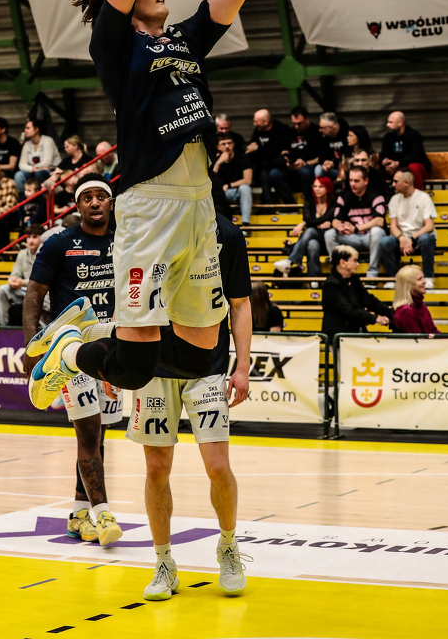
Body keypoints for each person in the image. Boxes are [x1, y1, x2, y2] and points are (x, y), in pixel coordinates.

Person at [29, 0, 258, 406]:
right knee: (132, 370)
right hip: (150, 206)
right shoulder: (114, 45)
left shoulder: (186, 40)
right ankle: (69, 351)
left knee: (201, 355)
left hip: (199, 207)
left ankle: (94, 334)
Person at [125, 213, 252, 599]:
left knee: (218, 467)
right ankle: (164, 562)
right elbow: (129, 300)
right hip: (153, 365)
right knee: (156, 468)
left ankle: (228, 547)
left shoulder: (227, 233)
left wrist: (242, 365)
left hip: (207, 365)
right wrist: (119, 359)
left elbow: (240, 304)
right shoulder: (149, 227)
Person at [22, 175, 123, 546]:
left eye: (101, 196)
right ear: (77, 205)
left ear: (111, 203)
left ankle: (80, 513)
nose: (95, 203)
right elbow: (33, 296)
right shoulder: (59, 243)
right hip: (71, 348)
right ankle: (103, 514)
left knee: (100, 434)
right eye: (87, 197)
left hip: (110, 346)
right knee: (89, 431)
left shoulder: (124, 241)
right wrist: (29, 346)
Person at [379, 169, 437, 289]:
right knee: (385, 242)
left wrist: (411, 238)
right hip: (403, 238)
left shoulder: (424, 198)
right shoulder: (394, 199)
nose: (393, 184)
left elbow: (429, 226)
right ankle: (393, 278)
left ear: (407, 182)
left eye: (396, 181)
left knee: (426, 239)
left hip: (419, 237)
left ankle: (428, 277)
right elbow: (393, 226)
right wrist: (401, 238)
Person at [324, 166, 386, 278]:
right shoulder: (344, 197)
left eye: (356, 181)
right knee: (329, 234)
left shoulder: (376, 196)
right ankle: (339, 273)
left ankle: (372, 275)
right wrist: (340, 227)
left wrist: (357, 228)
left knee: (377, 231)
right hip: (352, 237)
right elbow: (335, 220)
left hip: (369, 237)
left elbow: (380, 221)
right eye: (351, 180)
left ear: (366, 181)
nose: (352, 184)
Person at [321, 245, 392, 340]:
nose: (357, 264)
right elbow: (348, 310)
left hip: (355, 331)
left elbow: (368, 300)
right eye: (354, 261)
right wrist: (375, 318)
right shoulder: (331, 284)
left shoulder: (353, 278)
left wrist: (390, 313)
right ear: (343, 263)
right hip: (338, 336)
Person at [275, 176, 336, 278]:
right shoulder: (309, 203)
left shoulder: (334, 203)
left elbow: (325, 218)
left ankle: (290, 261)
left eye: (320, 186)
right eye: (315, 186)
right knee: (312, 244)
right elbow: (308, 220)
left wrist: (306, 224)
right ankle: (313, 280)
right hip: (314, 239)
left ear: (328, 189)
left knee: (310, 230)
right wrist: (318, 224)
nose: (316, 189)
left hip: (329, 240)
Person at [0, 224, 43, 326]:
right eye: (28, 237)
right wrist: (12, 281)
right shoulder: (22, 254)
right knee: (2, 290)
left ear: (41, 238)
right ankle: (3, 326)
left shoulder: (46, 254)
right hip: (25, 290)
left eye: (34, 237)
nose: (30, 241)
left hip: (41, 291)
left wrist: (23, 282)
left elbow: (42, 280)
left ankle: (43, 327)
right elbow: (14, 274)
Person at [246, 109, 292, 204]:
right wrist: (255, 150)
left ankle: (287, 203)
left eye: (256, 122)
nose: (254, 124)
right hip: (262, 165)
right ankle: (263, 203)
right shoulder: (258, 130)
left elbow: (276, 151)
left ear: (266, 121)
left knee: (271, 173)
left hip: (277, 165)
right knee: (254, 171)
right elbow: (252, 150)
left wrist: (259, 149)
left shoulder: (281, 130)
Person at [380, 111, 431, 190]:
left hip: (410, 168)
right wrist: (384, 161)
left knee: (414, 167)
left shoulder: (413, 135)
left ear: (400, 123)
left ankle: (415, 195)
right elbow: (383, 153)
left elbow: (417, 156)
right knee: (377, 168)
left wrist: (398, 163)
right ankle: (384, 195)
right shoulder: (387, 137)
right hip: (396, 168)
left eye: (390, 122)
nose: (387, 125)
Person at [211, 133, 253, 226]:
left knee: (245, 188)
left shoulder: (242, 157)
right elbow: (210, 178)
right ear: (218, 147)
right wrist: (218, 162)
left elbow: (248, 180)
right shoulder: (214, 160)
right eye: (223, 144)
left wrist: (229, 185)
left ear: (233, 144)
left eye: (229, 143)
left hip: (235, 192)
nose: (227, 146)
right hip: (219, 194)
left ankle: (246, 223)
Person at [280, 105, 321, 196]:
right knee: (274, 174)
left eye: (299, 123)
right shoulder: (289, 132)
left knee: (305, 171)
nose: (296, 126)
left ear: (307, 119)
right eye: (294, 123)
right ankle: (289, 202)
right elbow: (284, 151)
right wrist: (287, 161)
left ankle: (308, 199)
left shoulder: (317, 131)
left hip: (309, 165)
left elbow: (322, 156)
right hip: (292, 166)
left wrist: (305, 163)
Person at [15, 118, 60, 198]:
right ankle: (23, 199)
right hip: (33, 171)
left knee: (39, 173)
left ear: (36, 129)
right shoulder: (27, 144)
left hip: (50, 171)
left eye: (28, 128)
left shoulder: (48, 141)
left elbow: (47, 162)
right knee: (19, 175)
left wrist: (35, 169)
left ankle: (42, 198)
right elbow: (21, 165)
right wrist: (34, 169)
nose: (25, 130)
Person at [392, 265, 439, 334]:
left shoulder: (421, 305)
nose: (425, 281)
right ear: (408, 285)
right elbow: (417, 339)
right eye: (420, 279)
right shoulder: (406, 311)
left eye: (423, 277)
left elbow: (434, 331)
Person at [316, 112, 351, 181]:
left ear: (331, 127)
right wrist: (325, 162)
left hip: (344, 169)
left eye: (322, 127)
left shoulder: (346, 134)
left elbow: (349, 153)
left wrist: (335, 164)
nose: (320, 130)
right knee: (318, 169)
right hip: (330, 168)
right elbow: (320, 155)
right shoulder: (322, 136)